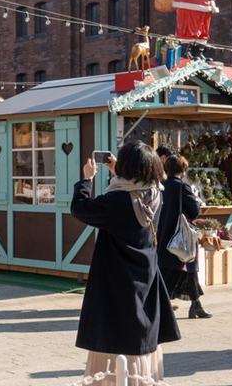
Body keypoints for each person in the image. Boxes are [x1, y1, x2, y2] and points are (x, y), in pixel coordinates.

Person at [70, 141, 180, 383]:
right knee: (140, 337)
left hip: (115, 277)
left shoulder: (117, 200)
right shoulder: (156, 195)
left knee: (114, 337)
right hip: (147, 275)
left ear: (126, 167)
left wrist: (87, 180)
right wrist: (120, 171)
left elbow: (80, 208)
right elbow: (137, 186)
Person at [156, 155, 210, 318]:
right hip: (180, 236)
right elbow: (194, 211)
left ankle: (195, 304)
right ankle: (192, 306)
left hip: (163, 234)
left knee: (169, 270)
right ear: (183, 169)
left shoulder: (160, 186)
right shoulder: (183, 187)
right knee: (188, 267)